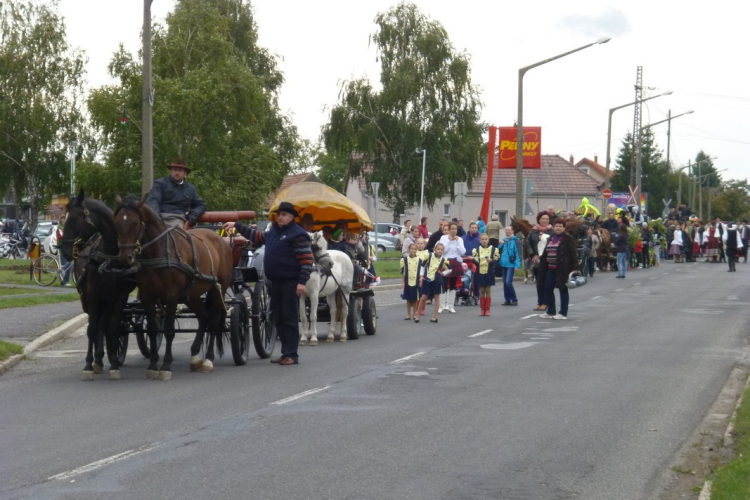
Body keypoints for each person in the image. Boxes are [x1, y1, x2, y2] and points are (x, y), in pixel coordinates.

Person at [223, 202, 311, 366]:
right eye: (279, 215)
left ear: (292, 217)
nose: (280, 217)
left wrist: (302, 282)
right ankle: (285, 353)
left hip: (290, 282)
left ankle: (292, 354)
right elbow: (256, 236)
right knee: (277, 317)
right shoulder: (273, 233)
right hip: (274, 281)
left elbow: (306, 261)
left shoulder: (297, 234)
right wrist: (237, 225)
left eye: (284, 215)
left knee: (289, 318)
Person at [146, 160, 206, 228]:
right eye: (174, 170)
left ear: (185, 173)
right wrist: (156, 218)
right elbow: (153, 201)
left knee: (176, 234)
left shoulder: (190, 189)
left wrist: (193, 215)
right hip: (159, 217)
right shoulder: (160, 183)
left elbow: (201, 205)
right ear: (171, 172)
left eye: (180, 170)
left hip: (178, 218)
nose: (177, 173)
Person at [537, 219, 577, 320]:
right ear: (554, 227)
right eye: (556, 226)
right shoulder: (551, 238)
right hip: (550, 268)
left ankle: (563, 313)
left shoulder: (568, 238)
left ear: (564, 228)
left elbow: (573, 253)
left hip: (562, 269)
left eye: (560, 226)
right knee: (547, 288)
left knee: (562, 289)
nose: (558, 228)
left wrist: (575, 268)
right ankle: (551, 311)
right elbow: (546, 252)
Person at [526, 211, 554, 311]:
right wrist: (533, 255)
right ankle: (540, 301)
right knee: (539, 282)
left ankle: (546, 302)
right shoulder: (533, 231)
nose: (545, 220)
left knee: (546, 282)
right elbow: (528, 243)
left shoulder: (552, 231)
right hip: (536, 261)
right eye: (543, 218)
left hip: (547, 260)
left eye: (547, 219)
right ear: (539, 220)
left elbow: (552, 244)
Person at [417, 242, 450, 323]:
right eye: (438, 249)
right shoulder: (429, 256)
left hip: (436, 279)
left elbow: (450, 269)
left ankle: (435, 316)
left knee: (437, 298)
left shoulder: (443, 260)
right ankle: (417, 315)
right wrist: (421, 276)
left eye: (442, 250)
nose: (440, 251)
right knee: (423, 297)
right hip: (427, 278)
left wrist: (443, 273)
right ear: (435, 249)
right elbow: (422, 266)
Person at [438, 222, 466, 313]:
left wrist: (457, 241)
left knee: (453, 284)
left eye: (455, 229)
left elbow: (462, 252)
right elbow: (443, 250)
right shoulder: (444, 238)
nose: (454, 231)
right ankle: (442, 305)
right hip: (446, 262)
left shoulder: (460, 239)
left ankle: (450, 305)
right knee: (444, 283)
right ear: (449, 230)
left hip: (456, 261)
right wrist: (449, 240)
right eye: (452, 229)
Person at [472, 233, 499, 315]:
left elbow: (497, 259)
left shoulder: (494, 249)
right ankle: (482, 309)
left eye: (485, 239)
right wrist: (474, 260)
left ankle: (487, 309)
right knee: (482, 290)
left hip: (489, 271)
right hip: (480, 271)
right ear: (480, 240)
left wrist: (491, 261)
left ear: (488, 240)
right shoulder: (476, 250)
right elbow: (475, 261)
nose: (484, 241)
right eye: (482, 239)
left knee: (488, 289)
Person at [499, 226, 521, 308]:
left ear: (512, 231)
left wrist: (517, 265)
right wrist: (500, 245)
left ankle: (514, 299)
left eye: (509, 230)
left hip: (511, 264)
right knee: (505, 282)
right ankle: (507, 299)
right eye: (506, 230)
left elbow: (518, 253)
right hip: (504, 264)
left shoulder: (516, 241)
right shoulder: (504, 241)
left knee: (508, 282)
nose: (507, 232)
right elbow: (498, 251)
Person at [401, 243, 422, 321]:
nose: (413, 250)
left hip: (416, 280)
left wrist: (420, 279)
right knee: (408, 298)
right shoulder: (405, 260)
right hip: (408, 280)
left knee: (415, 299)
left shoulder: (419, 260)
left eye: (415, 249)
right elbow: (403, 272)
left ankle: (415, 314)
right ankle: (408, 314)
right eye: (412, 249)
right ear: (409, 250)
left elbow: (421, 271)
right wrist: (403, 281)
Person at [56, 215, 72, 286]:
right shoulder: (59, 228)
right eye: (63, 219)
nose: (64, 220)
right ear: (61, 220)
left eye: (65, 219)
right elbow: (61, 237)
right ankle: (64, 281)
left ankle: (66, 280)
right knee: (66, 265)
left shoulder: (66, 228)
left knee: (68, 265)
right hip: (62, 248)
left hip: (67, 248)